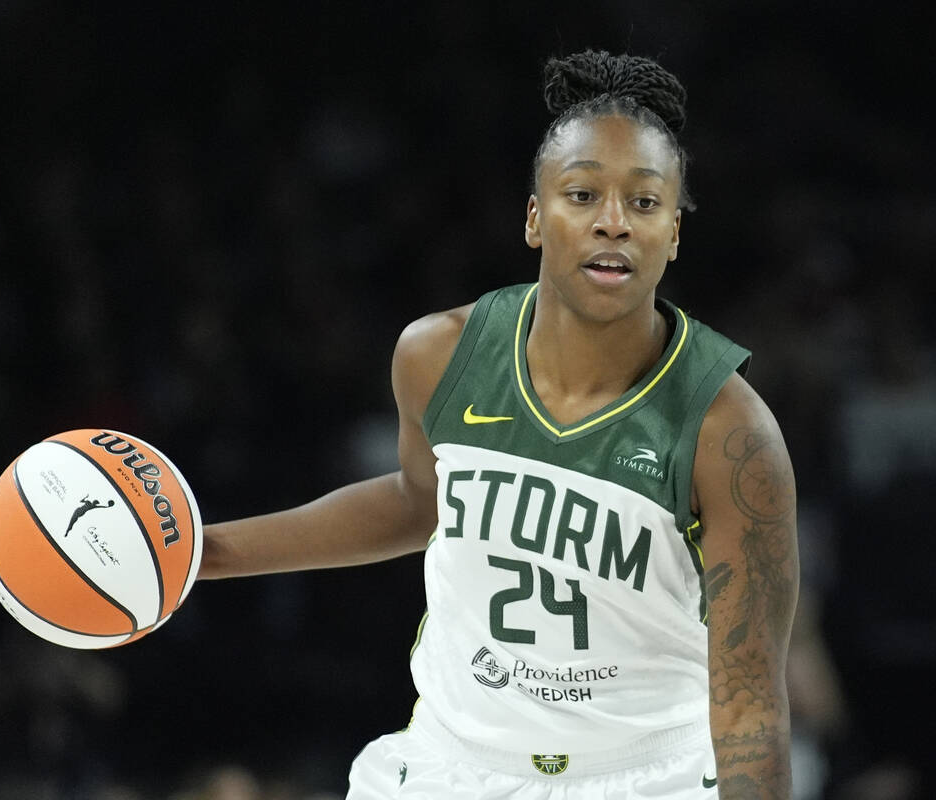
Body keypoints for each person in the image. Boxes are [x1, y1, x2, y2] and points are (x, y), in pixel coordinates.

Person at [200, 50, 799, 799]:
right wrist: (206, 554)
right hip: (455, 767)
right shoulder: (437, 355)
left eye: (644, 203)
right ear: (534, 217)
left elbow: (748, 702)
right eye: (581, 195)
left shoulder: (730, 432)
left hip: (651, 776)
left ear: (673, 232)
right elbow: (421, 502)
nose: (612, 222)